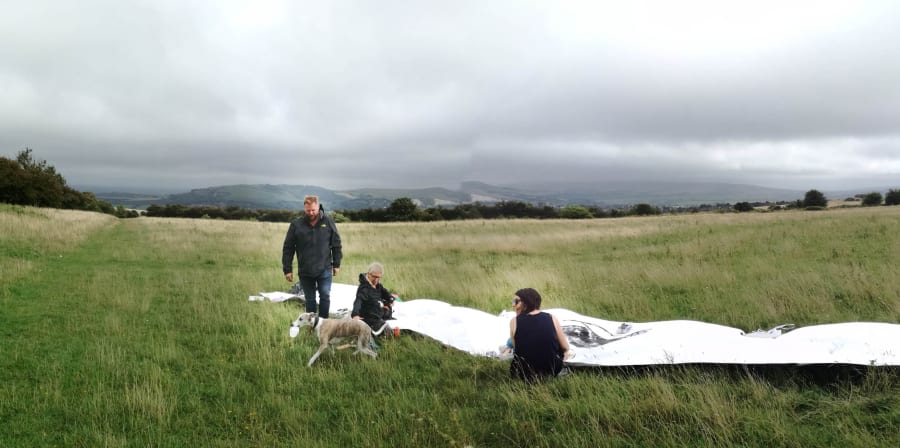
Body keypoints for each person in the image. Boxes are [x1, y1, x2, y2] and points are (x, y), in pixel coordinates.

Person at [282, 195, 342, 318]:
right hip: (305, 270)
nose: (310, 213)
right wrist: (287, 269)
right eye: (308, 210)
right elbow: (288, 248)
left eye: (313, 210)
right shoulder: (296, 224)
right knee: (310, 299)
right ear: (304, 208)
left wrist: (336, 264)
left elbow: (336, 244)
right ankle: (312, 326)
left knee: (325, 295)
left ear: (318, 207)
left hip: (324, 268)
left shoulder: (328, 221)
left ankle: (324, 324)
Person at [509, 288, 571, 382]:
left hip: (524, 373)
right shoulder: (551, 318)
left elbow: (517, 349)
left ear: (525, 302)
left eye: (516, 302)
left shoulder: (514, 321)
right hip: (552, 369)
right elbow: (565, 347)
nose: (513, 305)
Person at [352, 262, 397, 333]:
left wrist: (390, 300)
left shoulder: (378, 286)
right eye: (374, 277)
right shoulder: (364, 288)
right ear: (369, 274)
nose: (376, 280)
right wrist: (355, 315)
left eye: (378, 277)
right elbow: (358, 301)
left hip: (380, 314)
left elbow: (387, 294)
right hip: (369, 316)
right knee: (384, 328)